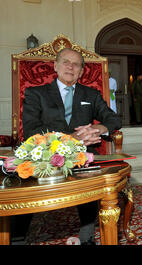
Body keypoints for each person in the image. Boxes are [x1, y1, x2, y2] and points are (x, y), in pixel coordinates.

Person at [20, 48, 122, 245]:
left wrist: (98, 128)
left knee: (94, 177)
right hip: (45, 156)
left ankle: (87, 237)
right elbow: (31, 131)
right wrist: (71, 138)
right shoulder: (36, 94)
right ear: (56, 66)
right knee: (22, 183)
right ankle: (17, 238)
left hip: (82, 158)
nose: (70, 66)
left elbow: (113, 118)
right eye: (65, 62)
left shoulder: (91, 94)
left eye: (76, 64)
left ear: (81, 71)